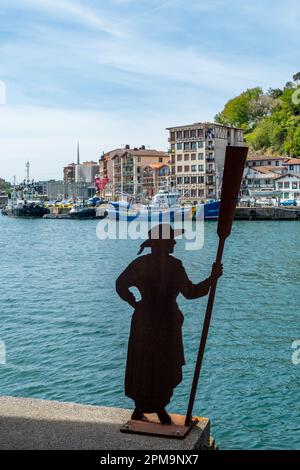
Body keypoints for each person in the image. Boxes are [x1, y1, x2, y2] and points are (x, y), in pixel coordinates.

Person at [116, 224, 223, 424]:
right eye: (171, 239)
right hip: (165, 322)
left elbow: (120, 284)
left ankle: (141, 407)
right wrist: (212, 279)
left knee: (143, 363)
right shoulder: (174, 265)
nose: (175, 242)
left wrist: (134, 302)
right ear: (164, 243)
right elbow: (191, 293)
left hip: (143, 318)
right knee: (163, 363)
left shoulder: (139, 263)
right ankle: (158, 409)